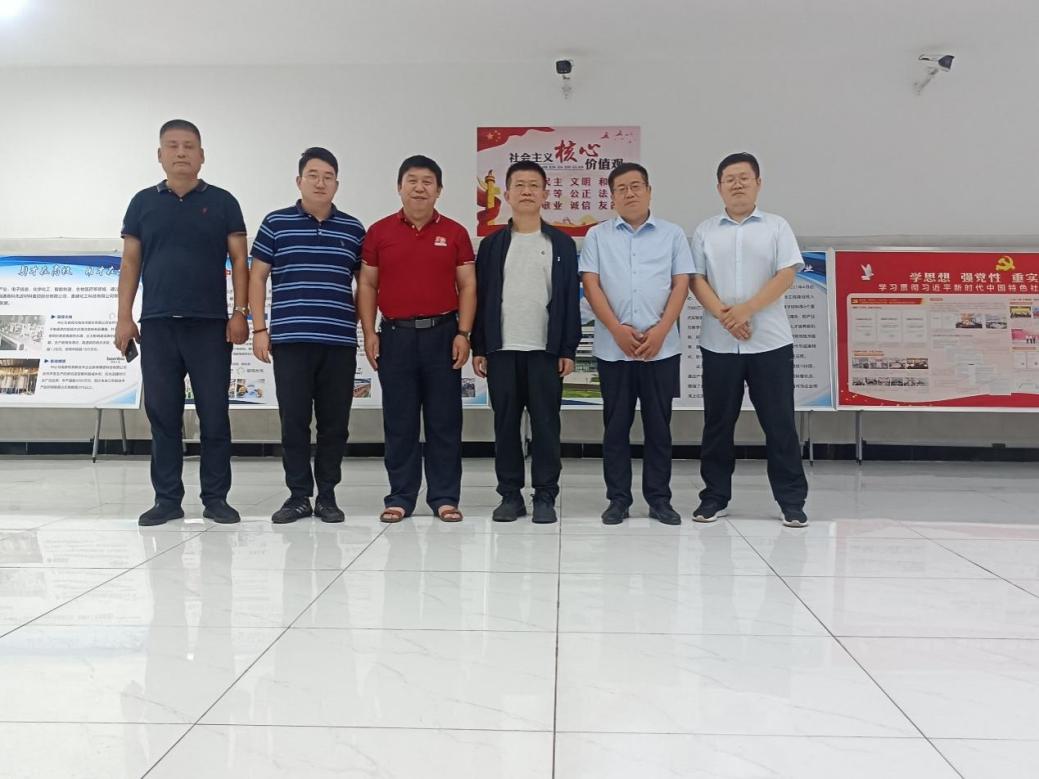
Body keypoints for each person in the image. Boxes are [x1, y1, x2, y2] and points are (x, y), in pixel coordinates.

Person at [115, 119, 248, 526]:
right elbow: (130, 262)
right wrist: (124, 317)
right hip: (157, 325)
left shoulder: (223, 202)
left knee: (215, 414)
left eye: (189, 146)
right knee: (163, 415)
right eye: (172, 146)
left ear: (202, 155)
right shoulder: (142, 203)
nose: (181, 153)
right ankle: (167, 500)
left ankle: (216, 499)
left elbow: (240, 260)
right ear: (160, 155)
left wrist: (240, 312)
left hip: (209, 326)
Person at [690, 152, 809, 528]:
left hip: (769, 343)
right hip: (719, 343)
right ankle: (714, 497)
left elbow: (786, 275)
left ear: (758, 183)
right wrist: (726, 316)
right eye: (729, 179)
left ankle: (791, 501)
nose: (737, 184)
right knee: (717, 424)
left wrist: (746, 310)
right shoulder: (705, 231)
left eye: (744, 177)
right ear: (719, 187)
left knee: (779, 423)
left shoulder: (777, 227)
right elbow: (696, 280)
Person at [248, 147, 365, 524]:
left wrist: (363, 328)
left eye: (328, 176)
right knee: (294, 421)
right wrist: (259, 328)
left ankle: (327, 495)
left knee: (335, 424)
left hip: (339, 343)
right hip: (290, 341)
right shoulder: (276, 223)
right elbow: (257, 277)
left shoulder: (353, 229)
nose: (320, 182)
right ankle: (298, 496)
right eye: (313, 175)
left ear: (337, 184)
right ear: (299, 181)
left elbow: (366, 285)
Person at [356, 155, 476, 523]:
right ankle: (400, 496)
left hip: (443, 335)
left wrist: (464, 333)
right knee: (400, 421)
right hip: (395, 336)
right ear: (399, 187)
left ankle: (444, 497)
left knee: (444, 421)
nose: (419, 188)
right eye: (412, 180)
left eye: (428, 182)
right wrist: (369, 332)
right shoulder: (379, 232)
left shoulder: (455, 233)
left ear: (439, 190)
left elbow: (468, 284)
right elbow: (367, 284)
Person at [579, 162, 692, 526]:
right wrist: (616, 329)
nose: (629, 193)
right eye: (621, 188)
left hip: (662, 348)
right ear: (612, 196)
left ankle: (659, 499)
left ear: (649, 191)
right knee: (615, 427)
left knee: (659, 427)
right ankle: (618, 499)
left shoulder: (673, 234)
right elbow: (591, 285)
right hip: (614, 349)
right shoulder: (597, 236)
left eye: (636, 186)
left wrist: (661, 331)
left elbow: (681, 284)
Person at [472, 160, 581, 524]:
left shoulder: (560, 243)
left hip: (545, 351)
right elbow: (482, 297)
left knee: (547, 425)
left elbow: (568, 299)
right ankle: (510, 495)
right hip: (502, 350)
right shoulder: (492, 245)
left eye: (534, 185)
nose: (527, 191)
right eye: (519, 185)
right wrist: (480, 346)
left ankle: (545, 495)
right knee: (505, 426)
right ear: (507, 194)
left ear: (545, 193)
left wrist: (568, 348)